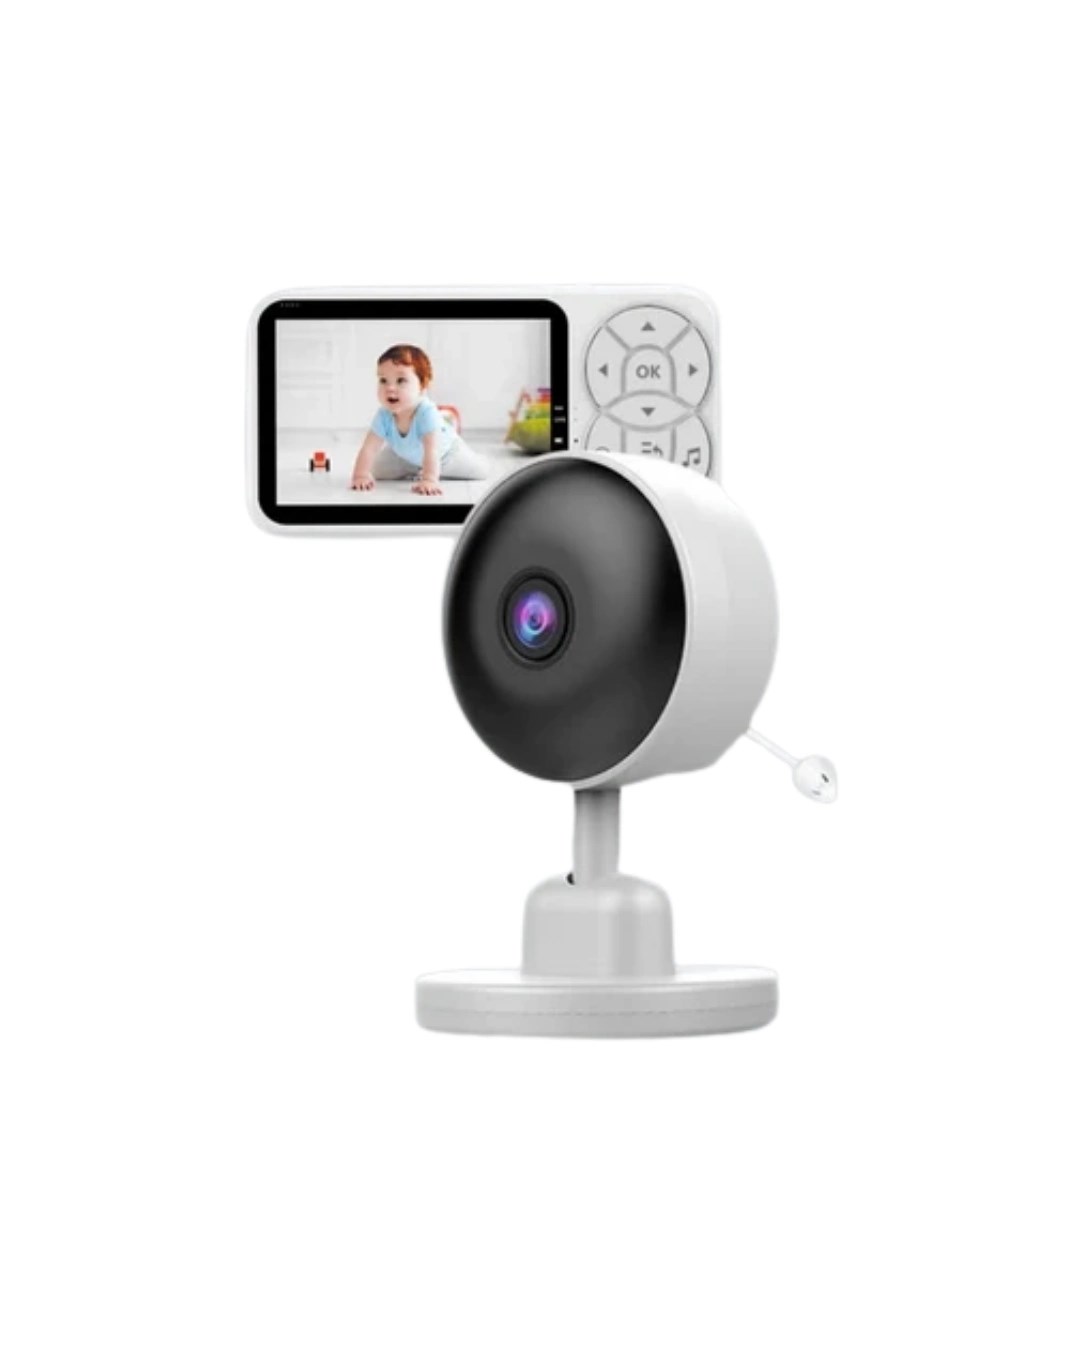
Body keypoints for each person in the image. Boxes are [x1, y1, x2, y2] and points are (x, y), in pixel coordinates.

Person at [350, 344, 489, 496]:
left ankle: (433, 468)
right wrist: (360, 476)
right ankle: (420, 469)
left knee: (481, 471)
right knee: (376, 470)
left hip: (446, 456)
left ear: (422, 385)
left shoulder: (426, 412)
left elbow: (432, 450)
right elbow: (369, 448)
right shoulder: (384, 414)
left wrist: (429, 479)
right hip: (406, 457)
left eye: (401, 380)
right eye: (383, 380)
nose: (390, 388)